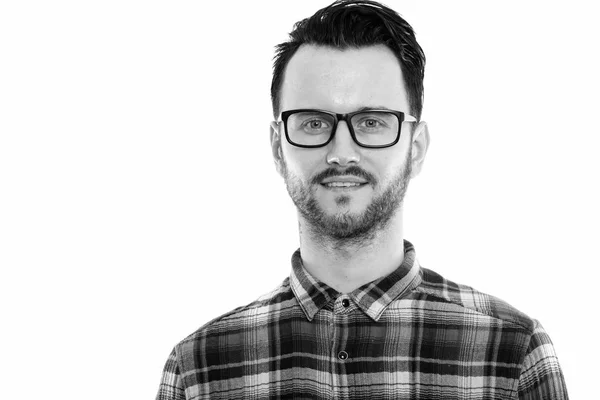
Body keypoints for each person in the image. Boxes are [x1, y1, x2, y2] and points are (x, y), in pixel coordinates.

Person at [156, 1, 568, 398]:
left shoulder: (513, 355)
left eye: (371, 122)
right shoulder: (199, 370)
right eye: (313, 122)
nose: (341, 152)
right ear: (278, 147)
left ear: (417, 147)